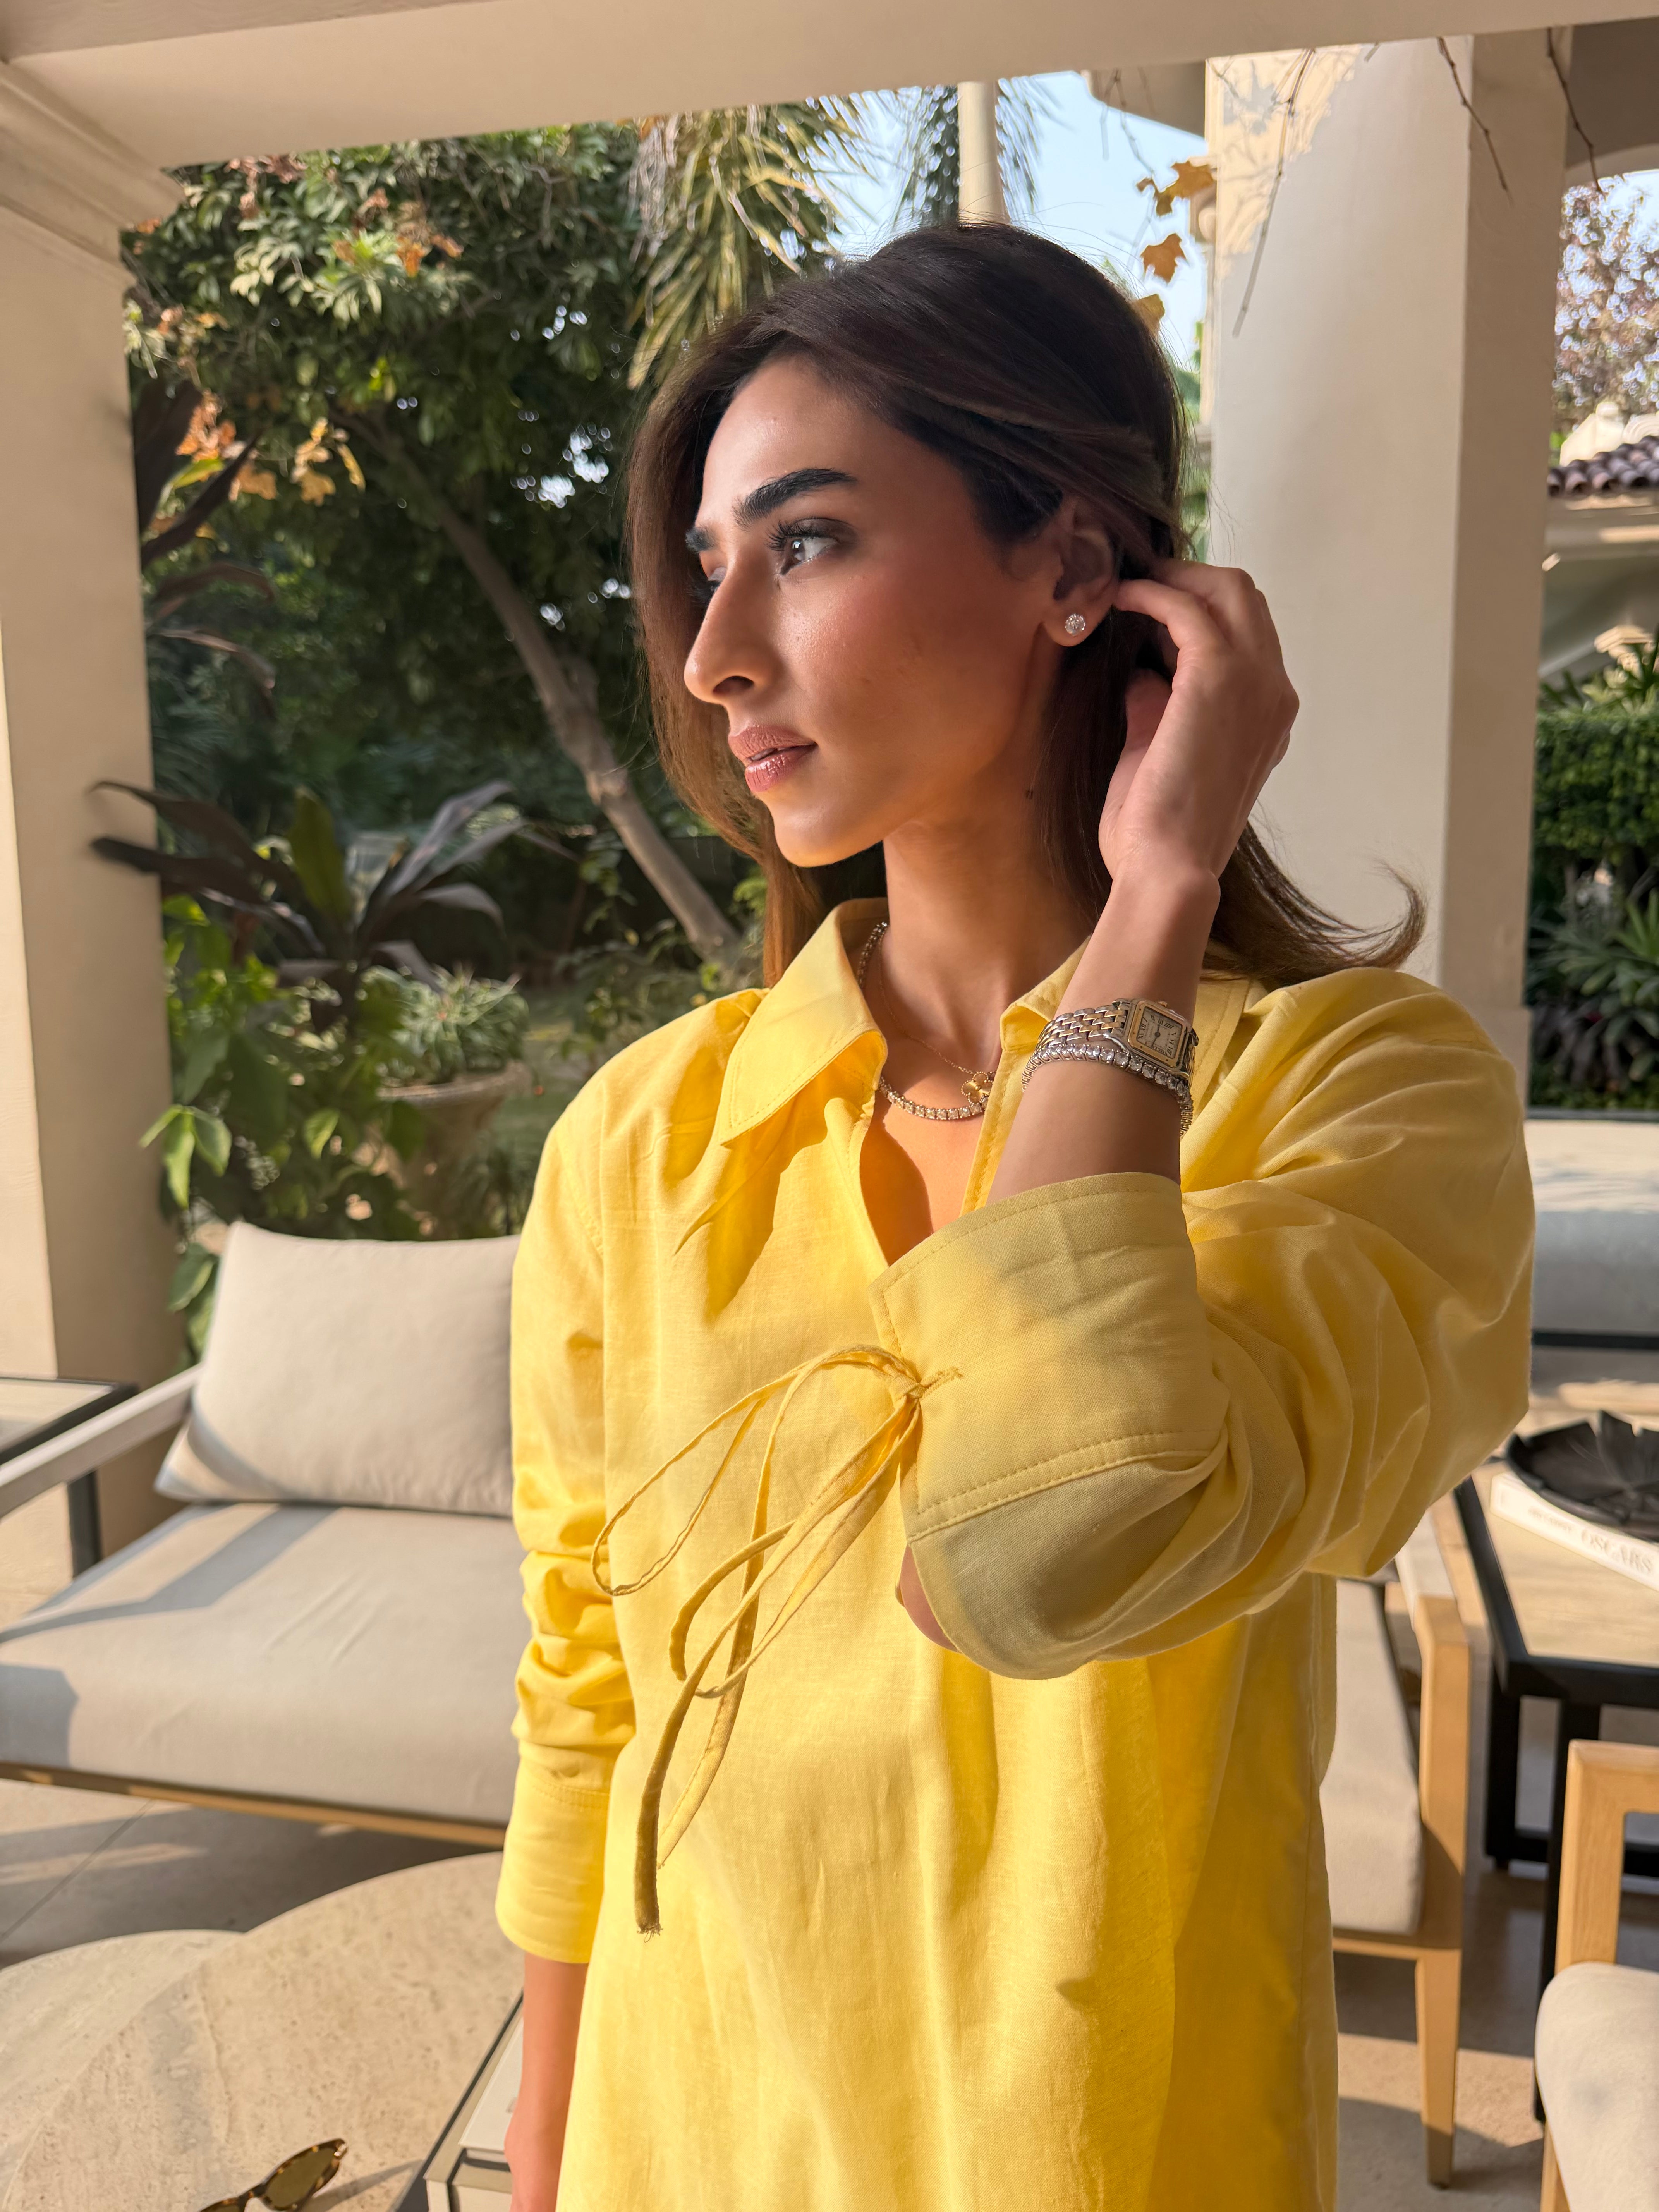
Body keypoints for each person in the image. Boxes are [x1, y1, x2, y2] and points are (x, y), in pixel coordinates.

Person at [496, 223, 1533, 2212]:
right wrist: (544, 2164)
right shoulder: (644, 1143)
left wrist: (1157, 906)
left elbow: (1059, 1542)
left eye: (804, 543)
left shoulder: (1356, 1097)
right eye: (708, 568)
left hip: (1110, 2152)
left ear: (1072, 567)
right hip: (684, 2140)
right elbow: (585, 1701)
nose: (715, 658)